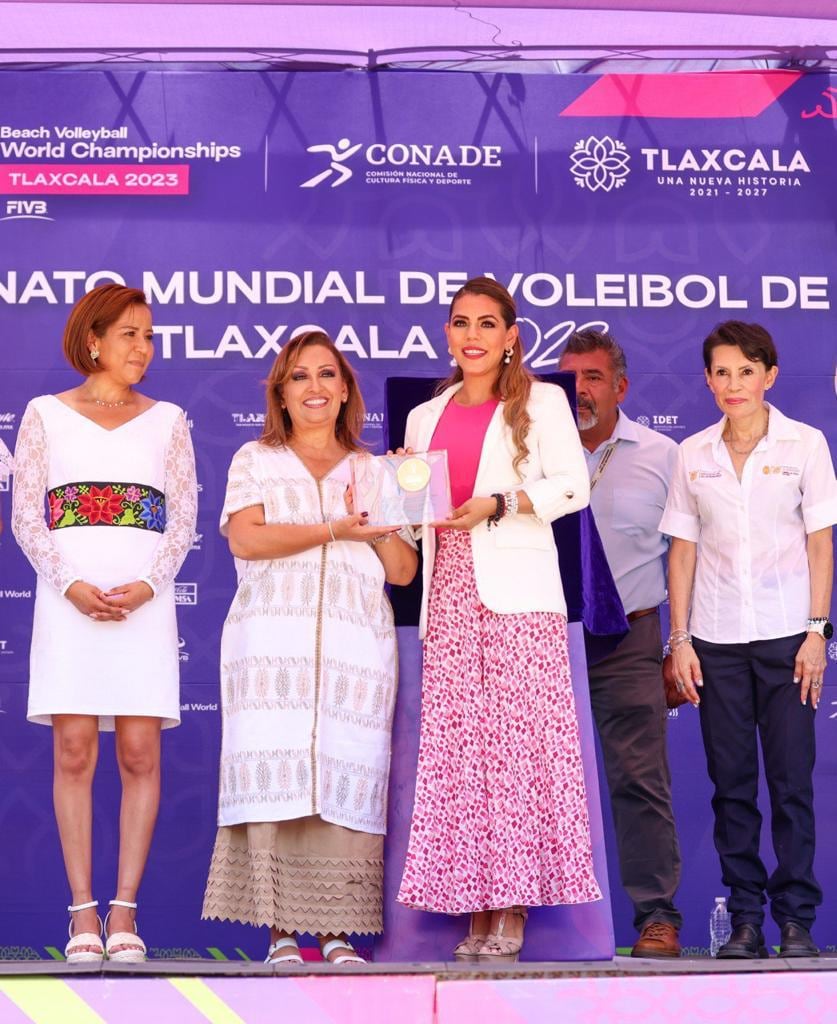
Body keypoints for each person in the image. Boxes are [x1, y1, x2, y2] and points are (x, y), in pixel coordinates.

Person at [396, 277, 602, 962]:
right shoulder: (427, 415)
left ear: (512, 336)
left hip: (518, 590)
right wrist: (398, 486)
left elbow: (573, 483)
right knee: (462, 756)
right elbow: (419, 513)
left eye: (488, 324)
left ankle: (510, 908)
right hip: (448, 589)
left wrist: (500, 501)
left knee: (516, 754)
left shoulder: (541, 401)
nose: (473, 336)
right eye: (461, 323)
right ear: (447, 334)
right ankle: (474, 906)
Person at [201, 330, 417, 965]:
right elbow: (246, 540)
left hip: (357, 652)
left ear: (346, 389)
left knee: (343, 778)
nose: (315, 388)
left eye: (327, 375)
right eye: (300, 377)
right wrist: (331, 529)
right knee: (278, 776)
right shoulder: (255, 459)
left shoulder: (376, 470)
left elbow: (403, 570)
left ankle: (337, 931)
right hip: (270, 646)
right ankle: (279, 934)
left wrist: (373, 530)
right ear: (281, 392)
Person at [11, 284, 197, 964]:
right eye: (129, 334)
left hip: (142, 604)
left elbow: (181, 520)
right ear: (93, 339)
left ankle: (126, 912)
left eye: (149, 336)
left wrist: (148, 586)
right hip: (70, 601)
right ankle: (82, 913)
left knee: (141, 752)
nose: (143, 349)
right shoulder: (43, 415)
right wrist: (72, 585)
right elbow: (28, 517)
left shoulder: (169, 419)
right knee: (74, 750)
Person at [662, 320, 836, 959]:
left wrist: (818, 632)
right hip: (715, 642)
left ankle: (796, 921)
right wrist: (679, 639)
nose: (734, 384)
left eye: (746, 370)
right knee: (731, 786)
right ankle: (743, 921)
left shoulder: (806, 444)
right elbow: (681, 552)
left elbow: (821, 542)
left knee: (791, 784)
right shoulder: (693, 455)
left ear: (771, 375)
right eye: (722, 372)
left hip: (790, 639)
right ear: (708, 380)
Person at [558, 330, 683, 959]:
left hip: (631, 636)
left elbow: (689, 559)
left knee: (640, 779)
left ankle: (656, 916)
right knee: (537, 782)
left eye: (594, 377)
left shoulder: (663, 456)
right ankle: (536, 923)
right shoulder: (527, 454)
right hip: (542, 638)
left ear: (621, 387)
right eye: (570, 377)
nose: (579, 389)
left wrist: (679, 645)